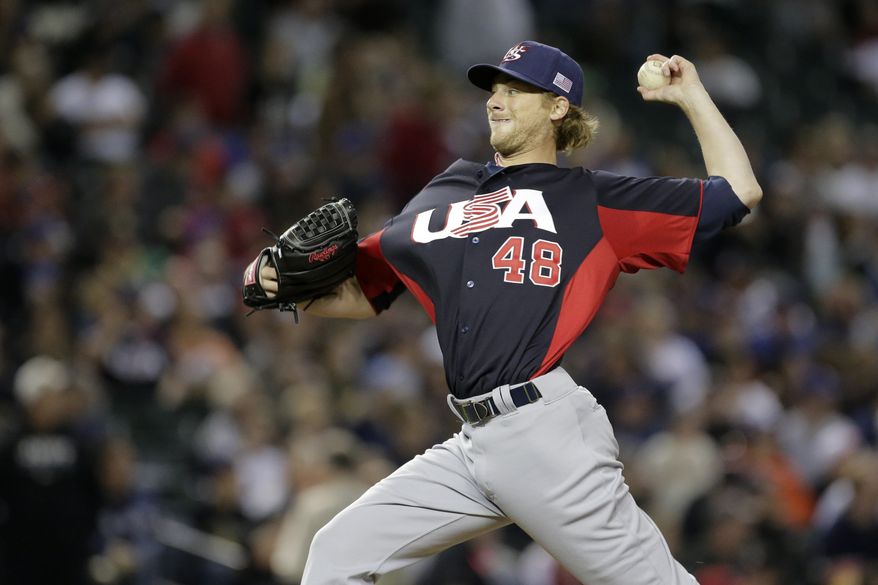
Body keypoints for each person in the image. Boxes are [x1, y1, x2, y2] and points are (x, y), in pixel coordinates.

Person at [256, 40, 761, 584]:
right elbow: (368, 292)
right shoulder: (444, 190)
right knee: (337, 553)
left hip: (544, 435)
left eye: (516, 90)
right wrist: (274, 283)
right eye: (494, 90)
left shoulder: (590, 198)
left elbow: (738, 192)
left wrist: (691, 96)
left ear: (558, 107)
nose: (497, 101)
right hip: (472, 441)